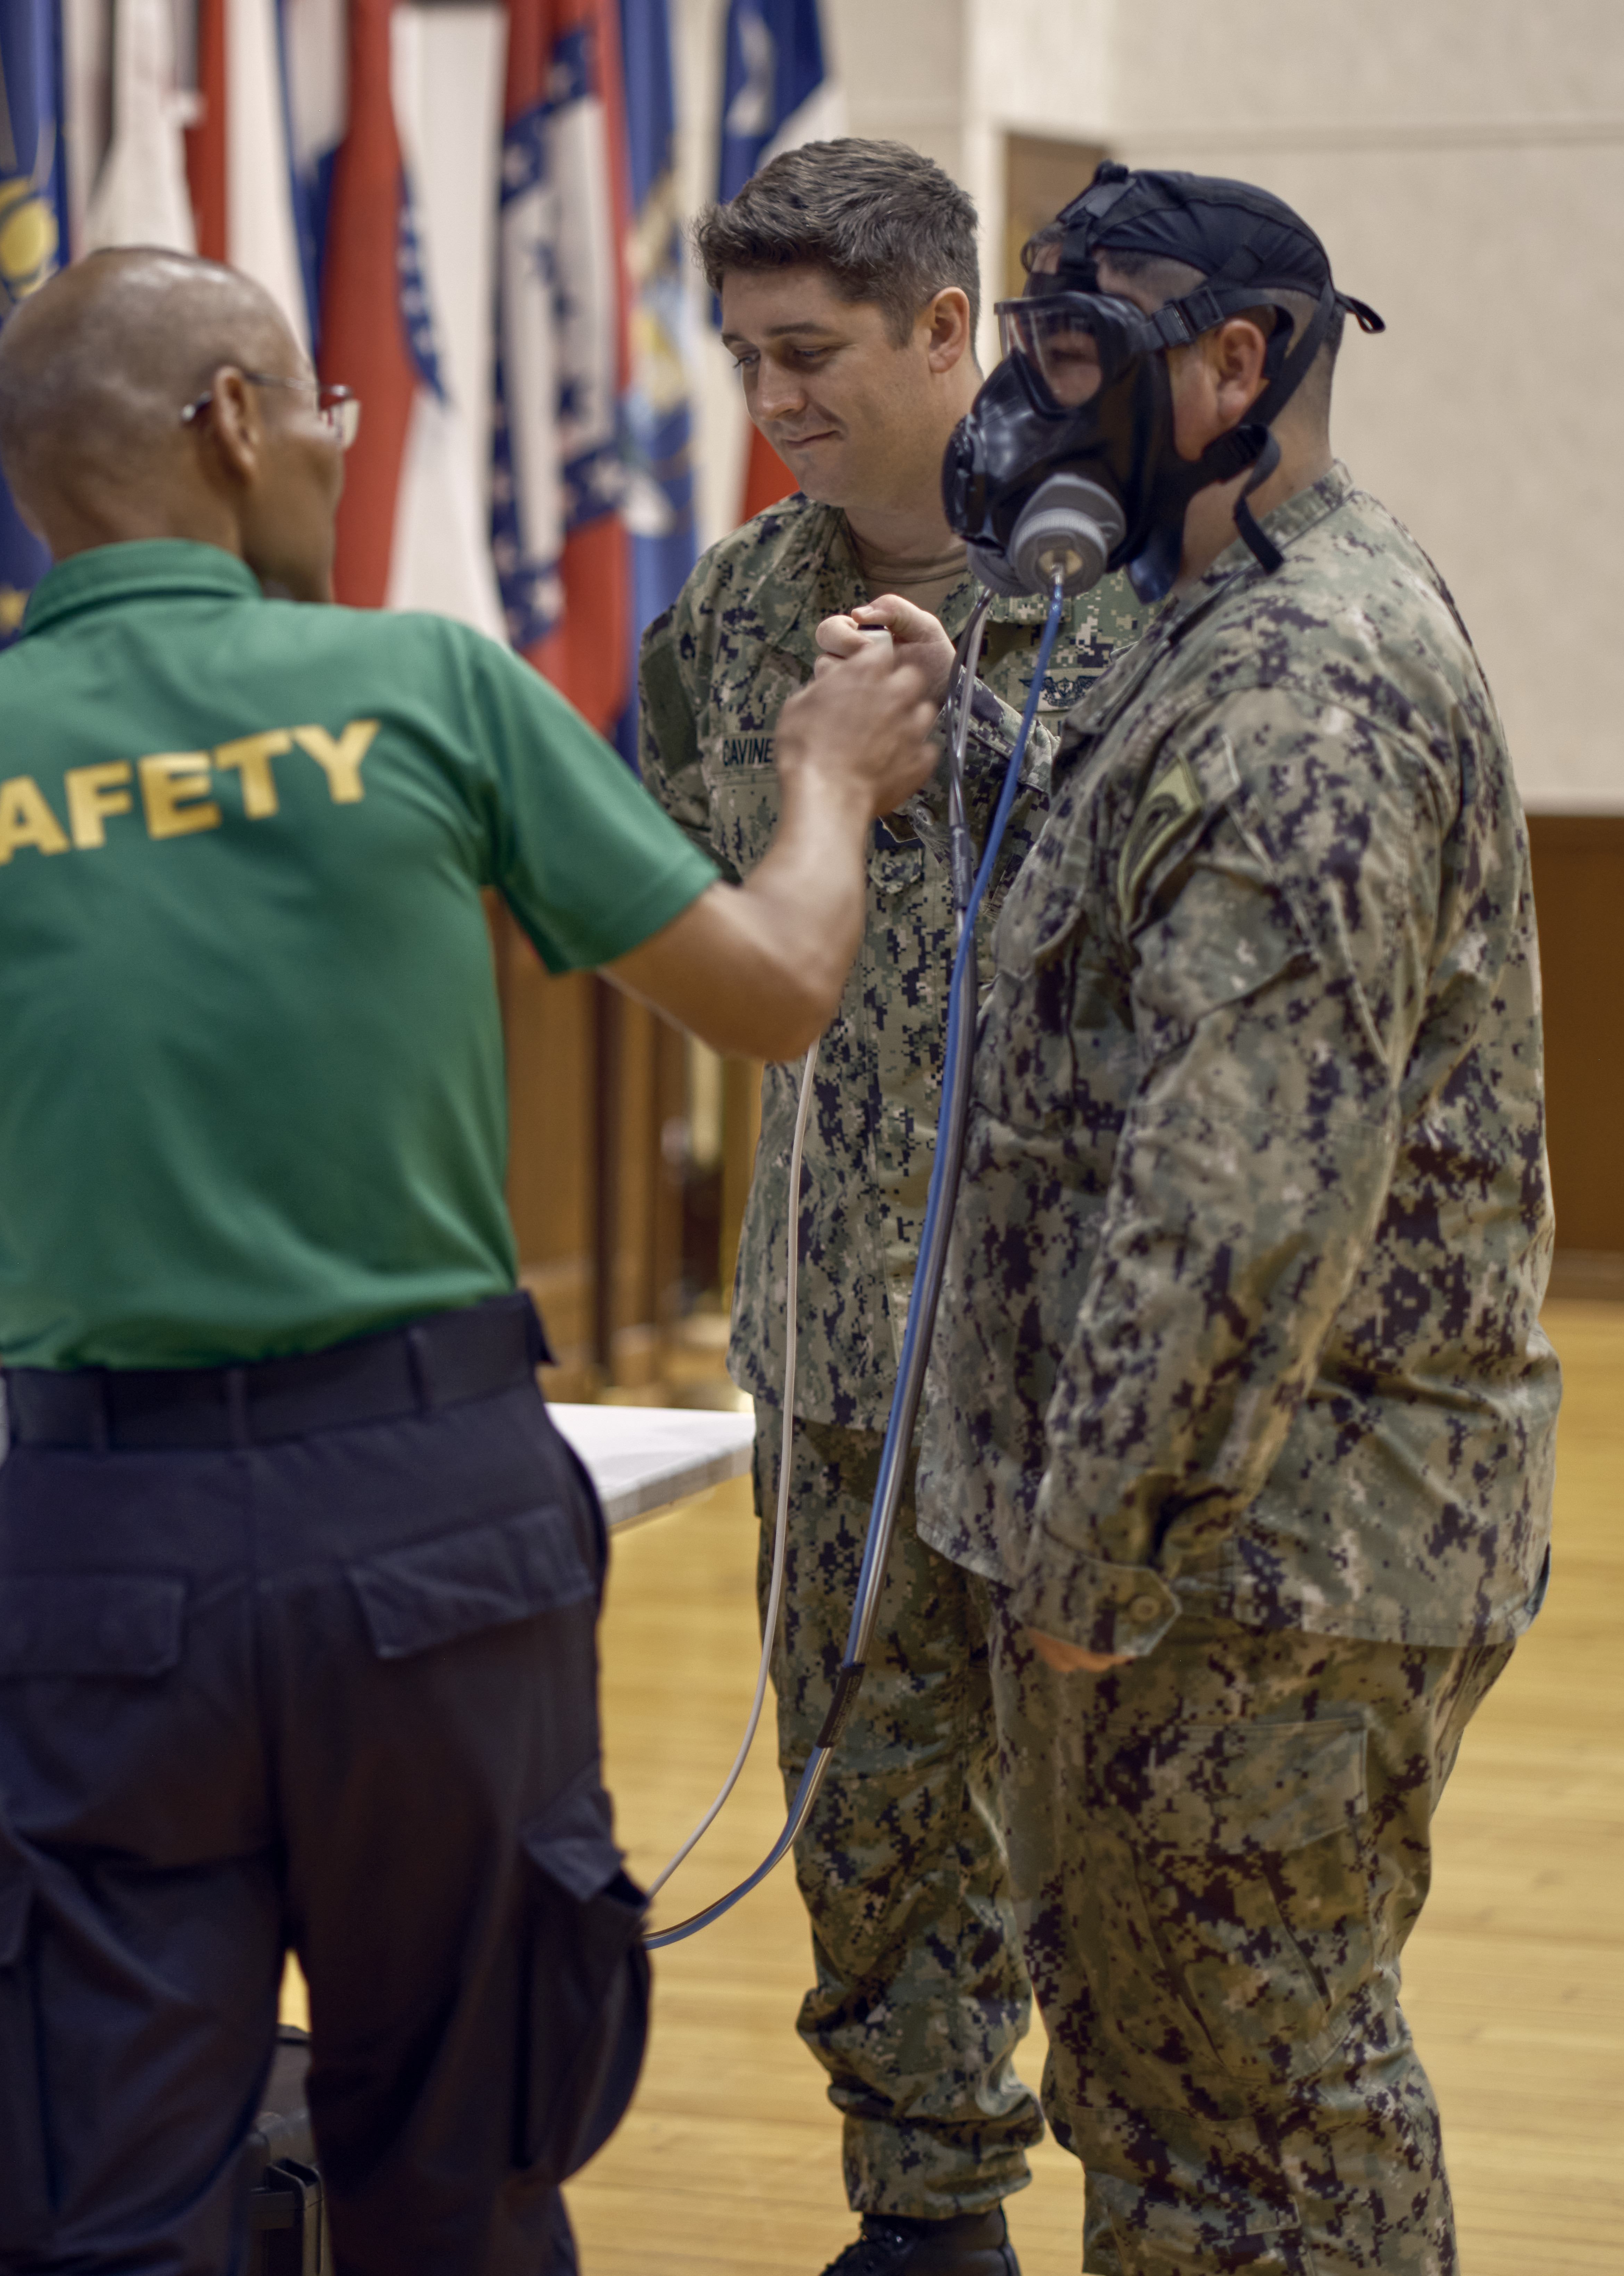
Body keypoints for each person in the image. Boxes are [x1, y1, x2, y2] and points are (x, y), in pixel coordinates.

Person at [0, 244, 937, 2276]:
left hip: (100, 1549)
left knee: (101, 2203)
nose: (347, 440)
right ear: (231, 424)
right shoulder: (425, 688)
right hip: (432, 1532)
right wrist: (827, 781)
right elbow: (781, 989)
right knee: (459, 2184)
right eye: (323, 401)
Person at [911, 164, 1554, 2275]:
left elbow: (1241, 1192)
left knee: (1255, 2127)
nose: (1029, 403)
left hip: (1259, 1561)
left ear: (1237, 363)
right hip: (1245, 1539)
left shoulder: (1303, 681)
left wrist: (1107, 1542)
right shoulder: (1211, 620)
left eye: (1075, 354)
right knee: (1184, 2095)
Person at [639, 139, 1145, 2276]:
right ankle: (928, 2210)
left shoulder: (1128, 584)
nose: (775, 398)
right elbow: (670, 904)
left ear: (954, 330)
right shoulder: (742, 608)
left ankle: (1180, 2205)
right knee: (868, 1804)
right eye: (747, 354)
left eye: (816, 352)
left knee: (1124, 1831)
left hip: (1088, 1355)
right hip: (841, 1324)